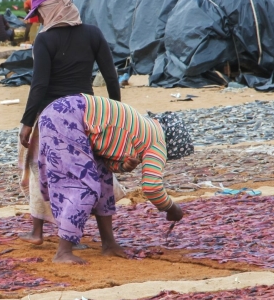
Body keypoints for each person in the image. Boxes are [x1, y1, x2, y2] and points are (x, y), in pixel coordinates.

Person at [18, 0, 121, 246]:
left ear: (47, 11)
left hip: (56, 116)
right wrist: (116, 113)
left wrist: (27, 123)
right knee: (98, 171)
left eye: (39, 14)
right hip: (90, 112)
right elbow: (111, 77)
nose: (38, 21)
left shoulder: (44, 39)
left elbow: (39, 85)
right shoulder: (93, 34)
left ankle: (51, 237)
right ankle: (108, 242)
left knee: (49, 173)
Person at [35, 94, 185, 264]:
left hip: (61, 111)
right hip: (68, 115)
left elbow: (106, 155)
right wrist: (172, 208)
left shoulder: (146, 128)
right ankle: (63, 252)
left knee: (103, 181)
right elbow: (152, 187)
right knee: (83, 186)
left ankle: (109, 244)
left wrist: (124, 167)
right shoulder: (158, 142)